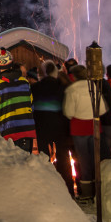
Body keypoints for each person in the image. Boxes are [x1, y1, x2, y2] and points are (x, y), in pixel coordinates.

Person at [62, 64, 108, 201]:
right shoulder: (93, 87)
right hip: (94, 127)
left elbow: (68, 112)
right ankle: (98, 190)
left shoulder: (71, 89)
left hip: (79, 128)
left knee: (83, 160)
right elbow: (103, 109)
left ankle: (87, 192)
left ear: (74, 76)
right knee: (96, 157)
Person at [31, 60, 72, 194]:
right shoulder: (63, 87)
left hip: (41, 126)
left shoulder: (35, 87)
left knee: (44, 156)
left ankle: (48, 190)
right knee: (63, 157)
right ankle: (68, 189)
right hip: (60, 126)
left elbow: (32, 108)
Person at [0, 47, 37, 153]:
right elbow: (31, 108)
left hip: (8, 135)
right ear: (12, 64)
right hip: (28, 133)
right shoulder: (25, 82)